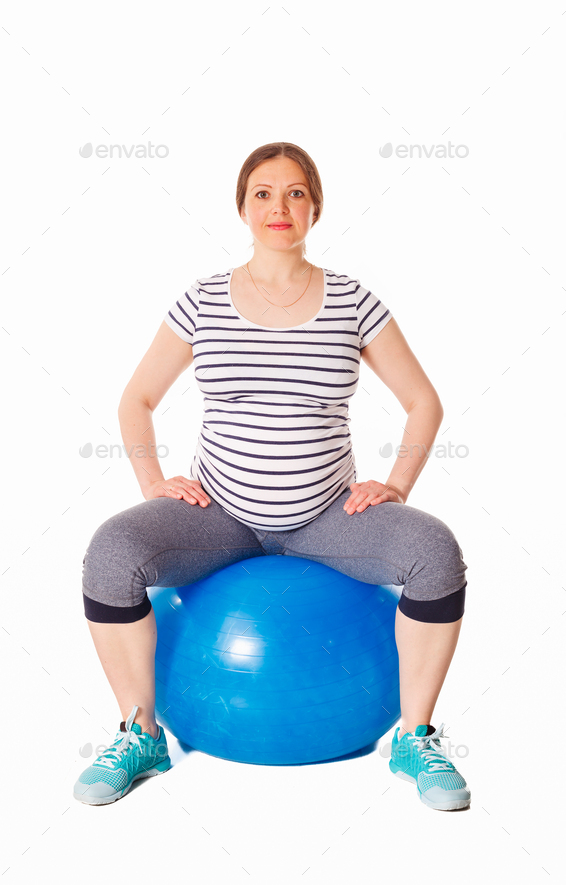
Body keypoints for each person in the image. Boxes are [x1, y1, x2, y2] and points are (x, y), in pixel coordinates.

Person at [74, 142, 471, 812]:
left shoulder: (352, 300)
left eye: (294, 192)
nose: (278, 206)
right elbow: (135, 399)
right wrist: (153, 483)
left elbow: (423, 401)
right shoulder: (202, 300)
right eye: (263, 192)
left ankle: (414, 735)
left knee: (436, 552)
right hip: (219, 514)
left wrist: (396, 486)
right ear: (242, 206)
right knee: (111, 553)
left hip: (326, 517)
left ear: (314, 205)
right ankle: (139, 731)